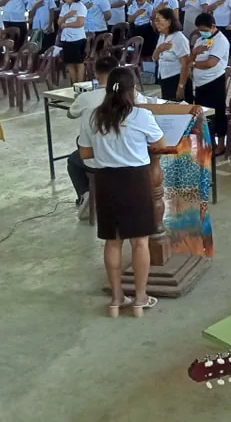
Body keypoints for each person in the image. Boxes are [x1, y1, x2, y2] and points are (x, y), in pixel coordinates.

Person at [78, 67, 165, 317]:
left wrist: (108, 150)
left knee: (112, 241)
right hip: (135, 181)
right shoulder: (141, 115)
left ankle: (116, 299)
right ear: (132, 90)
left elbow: (84, 154)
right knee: (140, 242)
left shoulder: (94, 118)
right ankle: (140, 299)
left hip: (106, 181)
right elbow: (160, 144)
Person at [67, 56, 151, 217]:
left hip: (102, 161)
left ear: (96, 73)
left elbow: (71, 115)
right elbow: (156, 137)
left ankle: (85, 194)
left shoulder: (88, 102)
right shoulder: (135, 97)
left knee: (74, 159)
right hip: (133, 158)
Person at [184, 13, 230, 153]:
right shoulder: (200, 40)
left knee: (218, 113)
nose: (201, 32)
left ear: (213, 26)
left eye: (204, 29)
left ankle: (221, 144)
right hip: (199, 84)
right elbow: (190, 59)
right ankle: (210, 143)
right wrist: (194, 54)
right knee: (204, 116)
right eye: (199, 30)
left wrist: (193, 63)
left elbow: (211, 63)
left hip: (214, 82)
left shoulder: (221, 41)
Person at [152, 8, 190, 101]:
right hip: (164, 78)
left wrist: (181, 87)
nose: (156, 23)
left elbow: (186, 65)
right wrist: (159, 49)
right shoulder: (162, 36)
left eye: (158, 20)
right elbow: (154, 58)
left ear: (169, 21)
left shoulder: (179, 38)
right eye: (154, 20)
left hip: (176, 79)